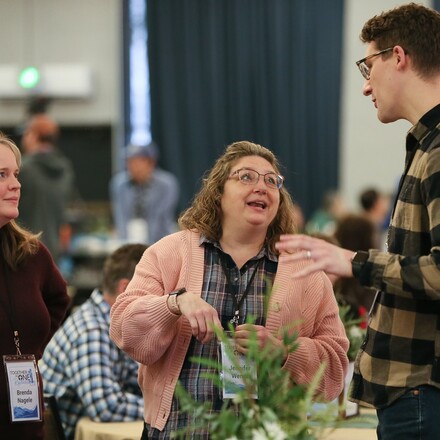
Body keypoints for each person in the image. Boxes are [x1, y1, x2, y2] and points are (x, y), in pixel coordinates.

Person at [276, 4, 440, 439]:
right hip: (413, 389)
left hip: (422, 388)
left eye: (368, 67)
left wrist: (356, 262)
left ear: (398, 57)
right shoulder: (425, 147)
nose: (366, 87)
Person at [109, 140, 348, 438]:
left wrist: (284, 352)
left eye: (271, 181)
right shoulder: (169, 253)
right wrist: (173, 304)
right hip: (177, 433)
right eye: (246, 176)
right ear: (218, 192)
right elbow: (124, 330)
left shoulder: (306, 273)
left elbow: (336, 370)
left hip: (266, 433)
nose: (262, 186)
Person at [0, 133, 70, 439]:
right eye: (1, 175)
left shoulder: (31, 254)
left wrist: (27, 350)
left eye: (16, 174)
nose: (15, 185)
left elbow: (59, 301)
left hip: (24, 421)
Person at [39, 243, 147, 440]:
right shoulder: (92, 330)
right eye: (156, 287)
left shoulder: (113, 323)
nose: (162, 298)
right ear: (125, 288)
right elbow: (106, 407)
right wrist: (166, 409)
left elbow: (139, 381)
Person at [18, 114, 78, 264]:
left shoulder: (22, 170)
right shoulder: (66, 169)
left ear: (34, 136)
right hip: (53, 251)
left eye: (26, 133)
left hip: (22, 249)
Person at [110, 141, 179, 245]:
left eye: (138, 162)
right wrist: (125, 245)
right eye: (130, 162)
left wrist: (151, 247)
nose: (133, 166)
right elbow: (121, 215)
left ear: (151, 163)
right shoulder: (119, 184)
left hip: (160, 242)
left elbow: (160, 216)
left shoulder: (166, 184)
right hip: (129, 241)